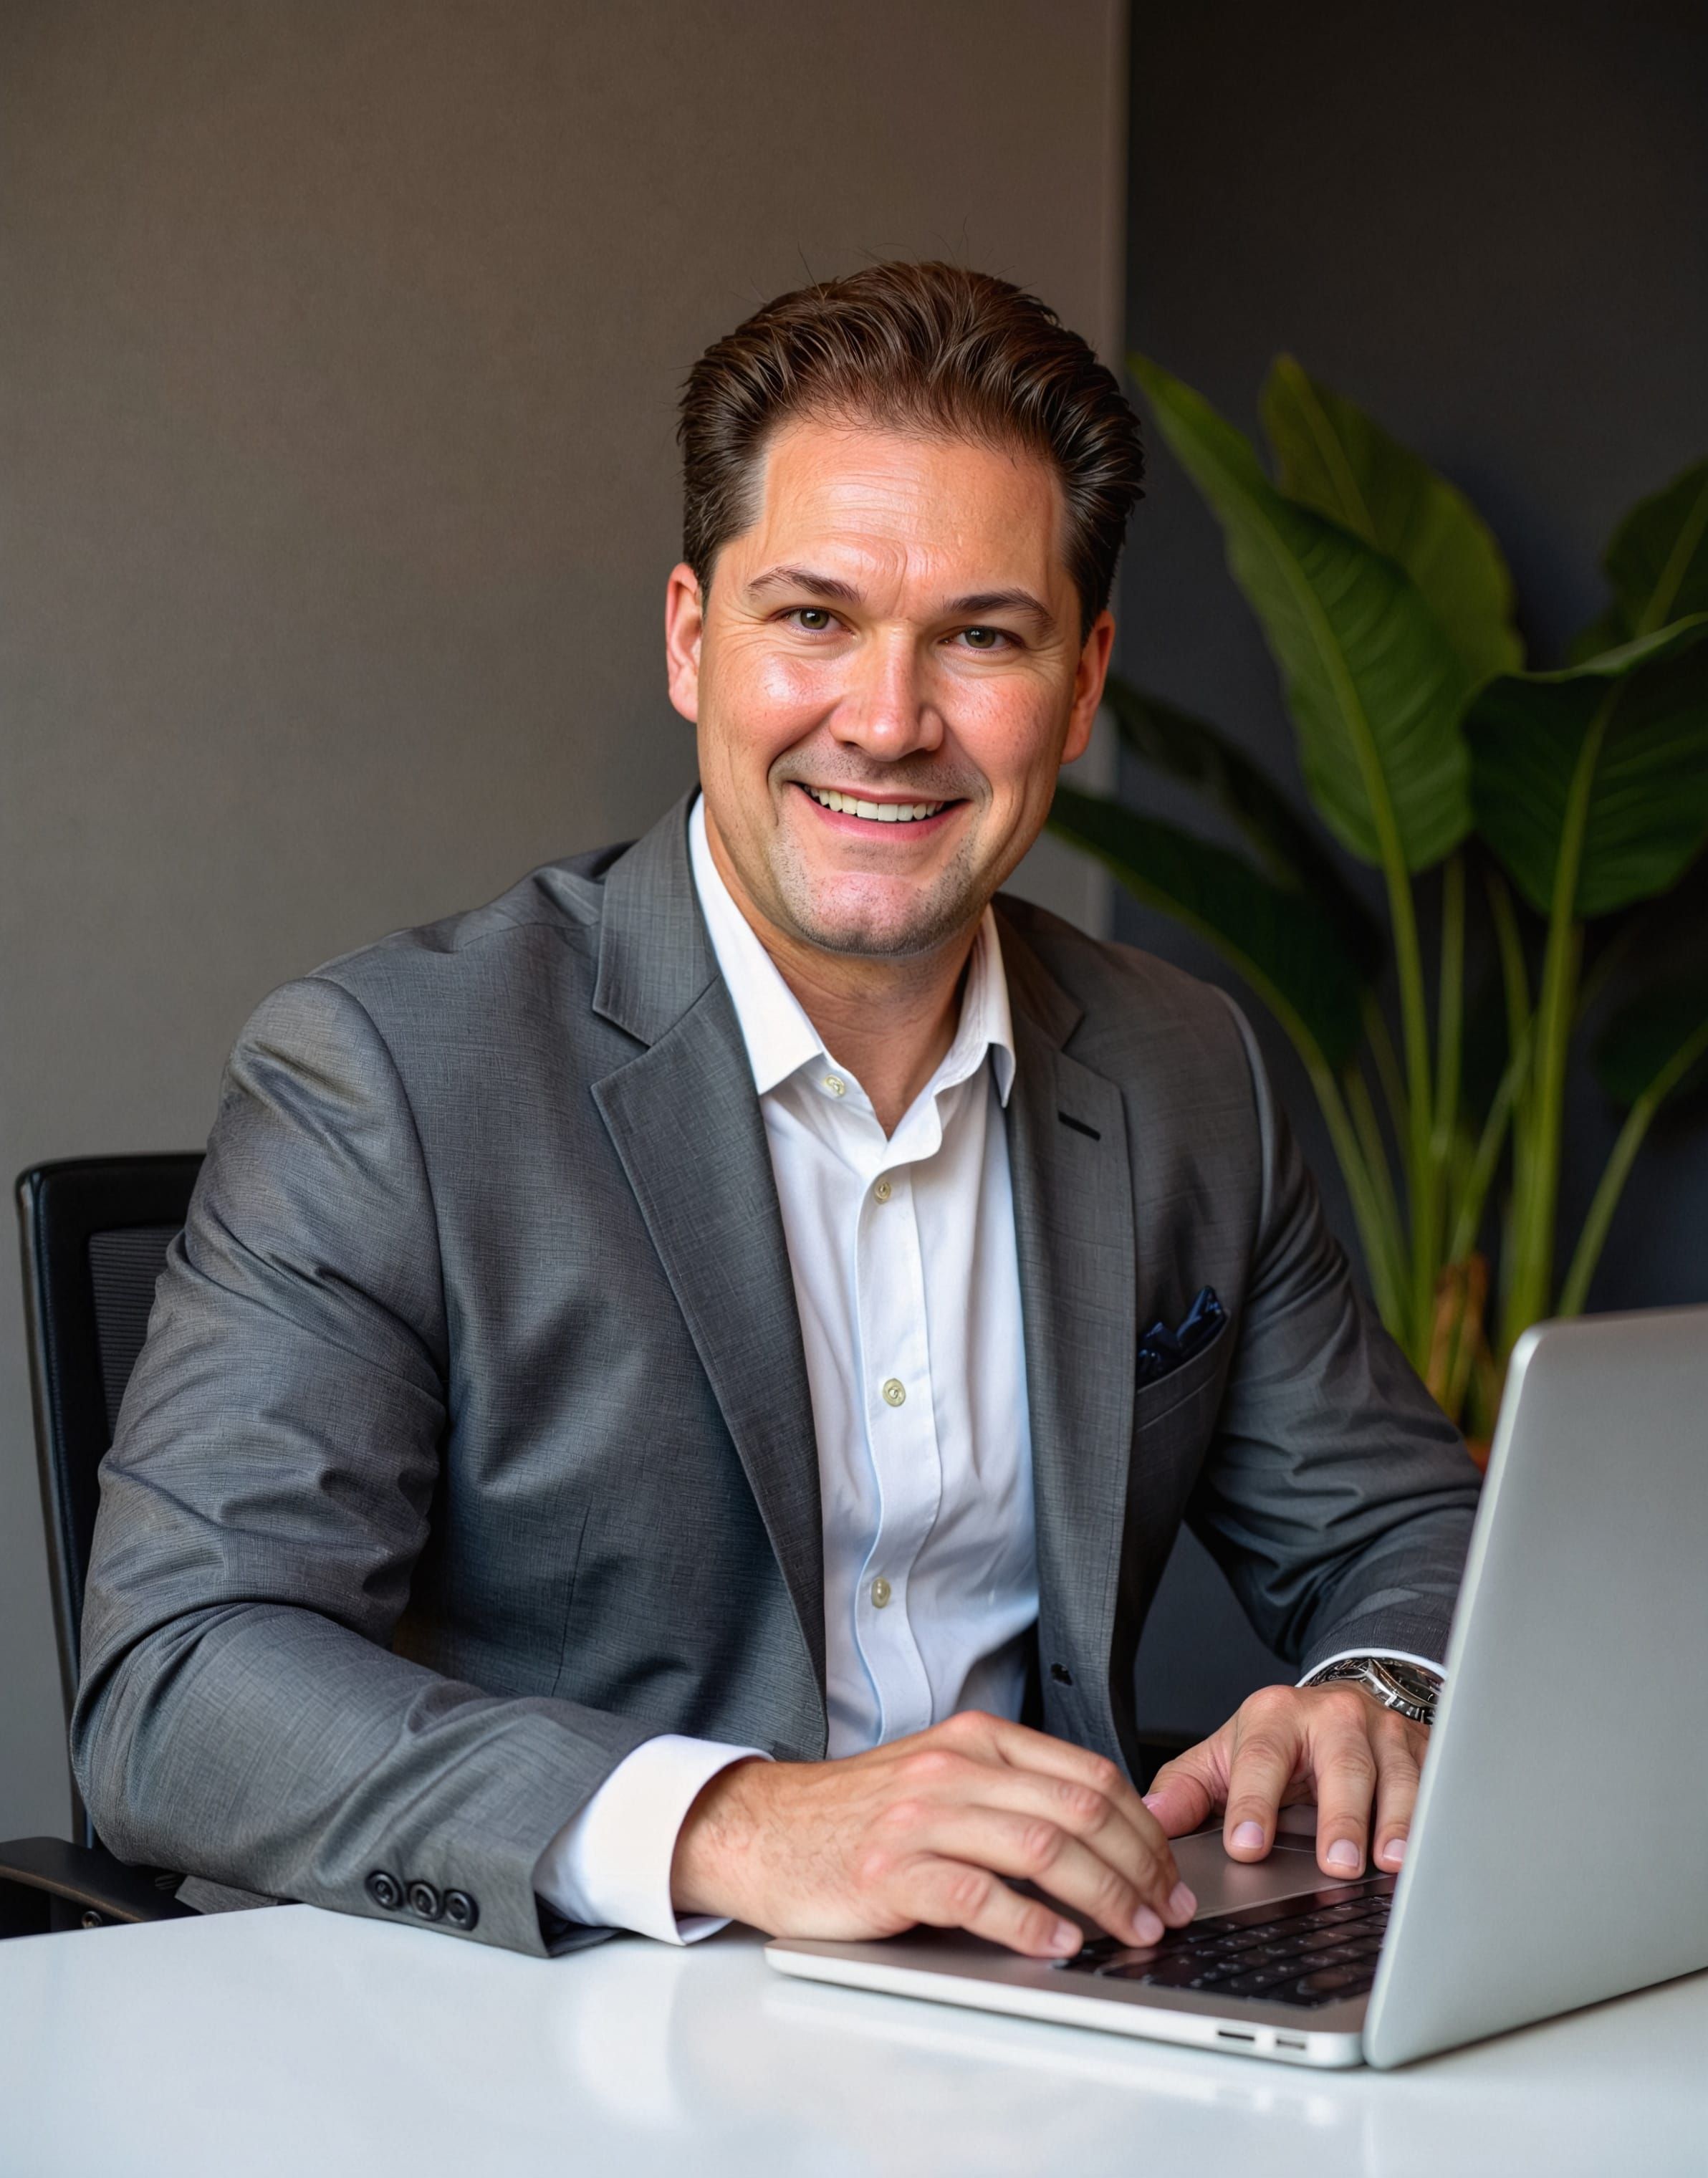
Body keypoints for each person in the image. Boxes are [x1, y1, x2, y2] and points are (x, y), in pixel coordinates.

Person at [74, 263, 1479, 1962]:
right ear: (690, 639)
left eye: (982, 636)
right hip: (565, 2025)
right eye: (812, 616)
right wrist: (730, 1819)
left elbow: (1409, 1527)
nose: (886, 723)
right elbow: (182, 1678)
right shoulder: (390, 1075)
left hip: (1057, 2008)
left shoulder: (1188, 1070)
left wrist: (1367, 1691)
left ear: (1084, 679)